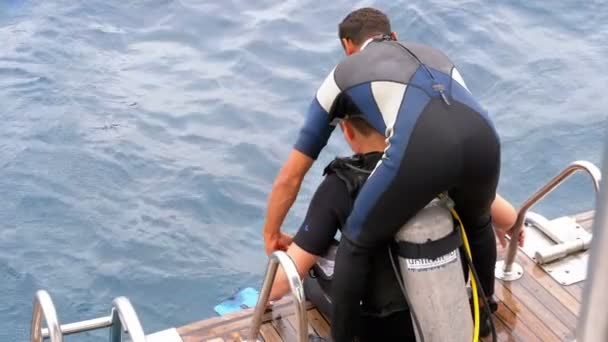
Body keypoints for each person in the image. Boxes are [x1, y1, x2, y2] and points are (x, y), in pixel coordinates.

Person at [262, 7, 514, 341]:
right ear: (392, 36)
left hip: (424, 150)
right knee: (478, 221)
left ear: (347, 46)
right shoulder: (434, 55)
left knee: (356, 242)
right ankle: (483, 320)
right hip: (484, 138)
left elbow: (292, 175)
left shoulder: (342, 74)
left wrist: (272, 231)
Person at [269, 117, 518, 340]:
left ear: (347, 130)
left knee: (312, 276)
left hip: (382, 329)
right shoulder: (438, 166)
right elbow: (509, 218)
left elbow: (280, 285)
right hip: (446, 308)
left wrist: (295, 257)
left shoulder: (340, 185)